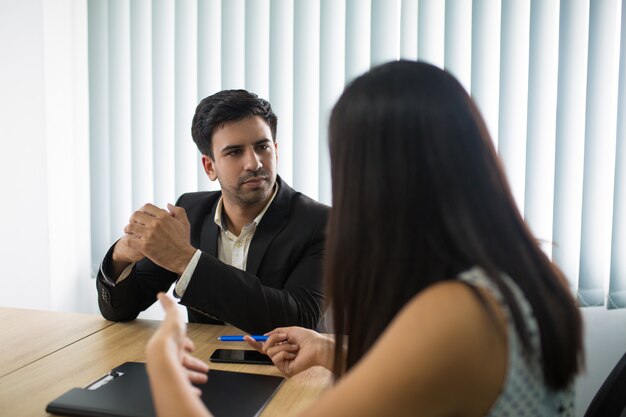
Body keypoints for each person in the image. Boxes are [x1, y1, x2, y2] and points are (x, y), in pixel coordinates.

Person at [145, 61, 584, 416]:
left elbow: (438, 347)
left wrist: (164, 367)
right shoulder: (530, 272)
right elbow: (428, 367)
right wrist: (329, 349)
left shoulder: (456, 312)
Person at [96, 89, 329, 334]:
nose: (254, 163)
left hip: (287, 368)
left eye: (262, 147)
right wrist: (121, 256)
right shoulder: (191, 211)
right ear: (209, 166)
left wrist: (186, 260)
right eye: (235, 152)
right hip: (206, 365)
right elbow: (122, 309)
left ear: (276, 150)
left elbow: (300, 319)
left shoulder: (321, 223)